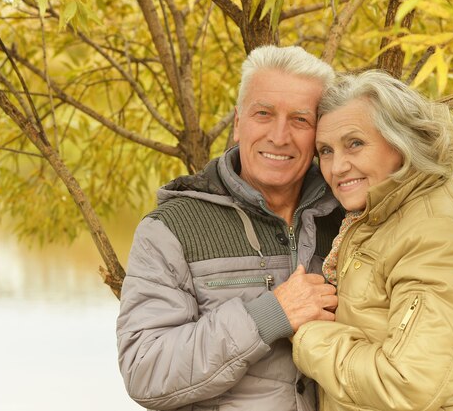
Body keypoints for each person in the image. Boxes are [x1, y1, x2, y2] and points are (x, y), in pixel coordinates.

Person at [117, 45, 344, 411]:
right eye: (264, 114)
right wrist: (270, 315)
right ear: (238, 123)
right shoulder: (171, 229)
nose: (280, 136)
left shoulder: (351, 219)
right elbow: (146, 370)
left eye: (301, 120)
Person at [291, 70, 453, 410]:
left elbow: (406, 384)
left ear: (400, 143)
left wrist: (308, 335)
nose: (337, 167)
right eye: (326, 151)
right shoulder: (381, 216)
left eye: (355, 143)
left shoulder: (437, 232)